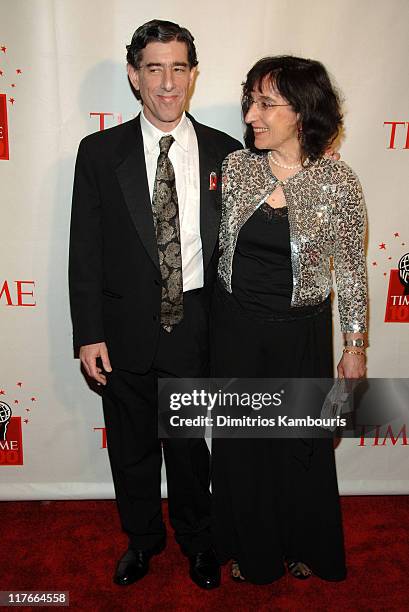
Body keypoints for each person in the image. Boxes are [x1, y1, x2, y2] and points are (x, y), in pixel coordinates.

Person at [69, 19, 241, 589]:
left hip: (196, 325)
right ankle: (142, 541)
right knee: (131, 447)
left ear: (193, 75)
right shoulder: (98, 153)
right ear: (133, 75)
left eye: (178, 68)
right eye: (154, 68)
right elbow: (85, 252)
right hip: (122, 330)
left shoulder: (229, 152)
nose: (167, 83)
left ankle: (198, 541)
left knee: (191, 448)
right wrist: (89, 332)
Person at [211, 55, 367, 584]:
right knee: (242, 449)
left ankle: (303, 542)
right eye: (250, 100)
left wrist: (355, 344)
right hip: (236, 333)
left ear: (301, 112)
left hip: (301, 335)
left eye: (266, 103)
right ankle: (247, 546)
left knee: (300, 448)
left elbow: (349, 269)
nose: (251, 113)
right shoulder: (237, 168)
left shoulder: (338, 182)